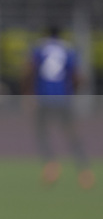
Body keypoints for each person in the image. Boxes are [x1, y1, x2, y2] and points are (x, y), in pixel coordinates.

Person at [24, 26, 95, 190]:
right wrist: (72, 93)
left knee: (42, 132)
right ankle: (85, 172)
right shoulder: (68, 49)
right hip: (63, 99)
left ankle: (51, 165)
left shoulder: (39, 49)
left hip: (44, 99)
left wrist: (28, 93)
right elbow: (78, 77)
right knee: (72, 135)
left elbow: (29, 71)